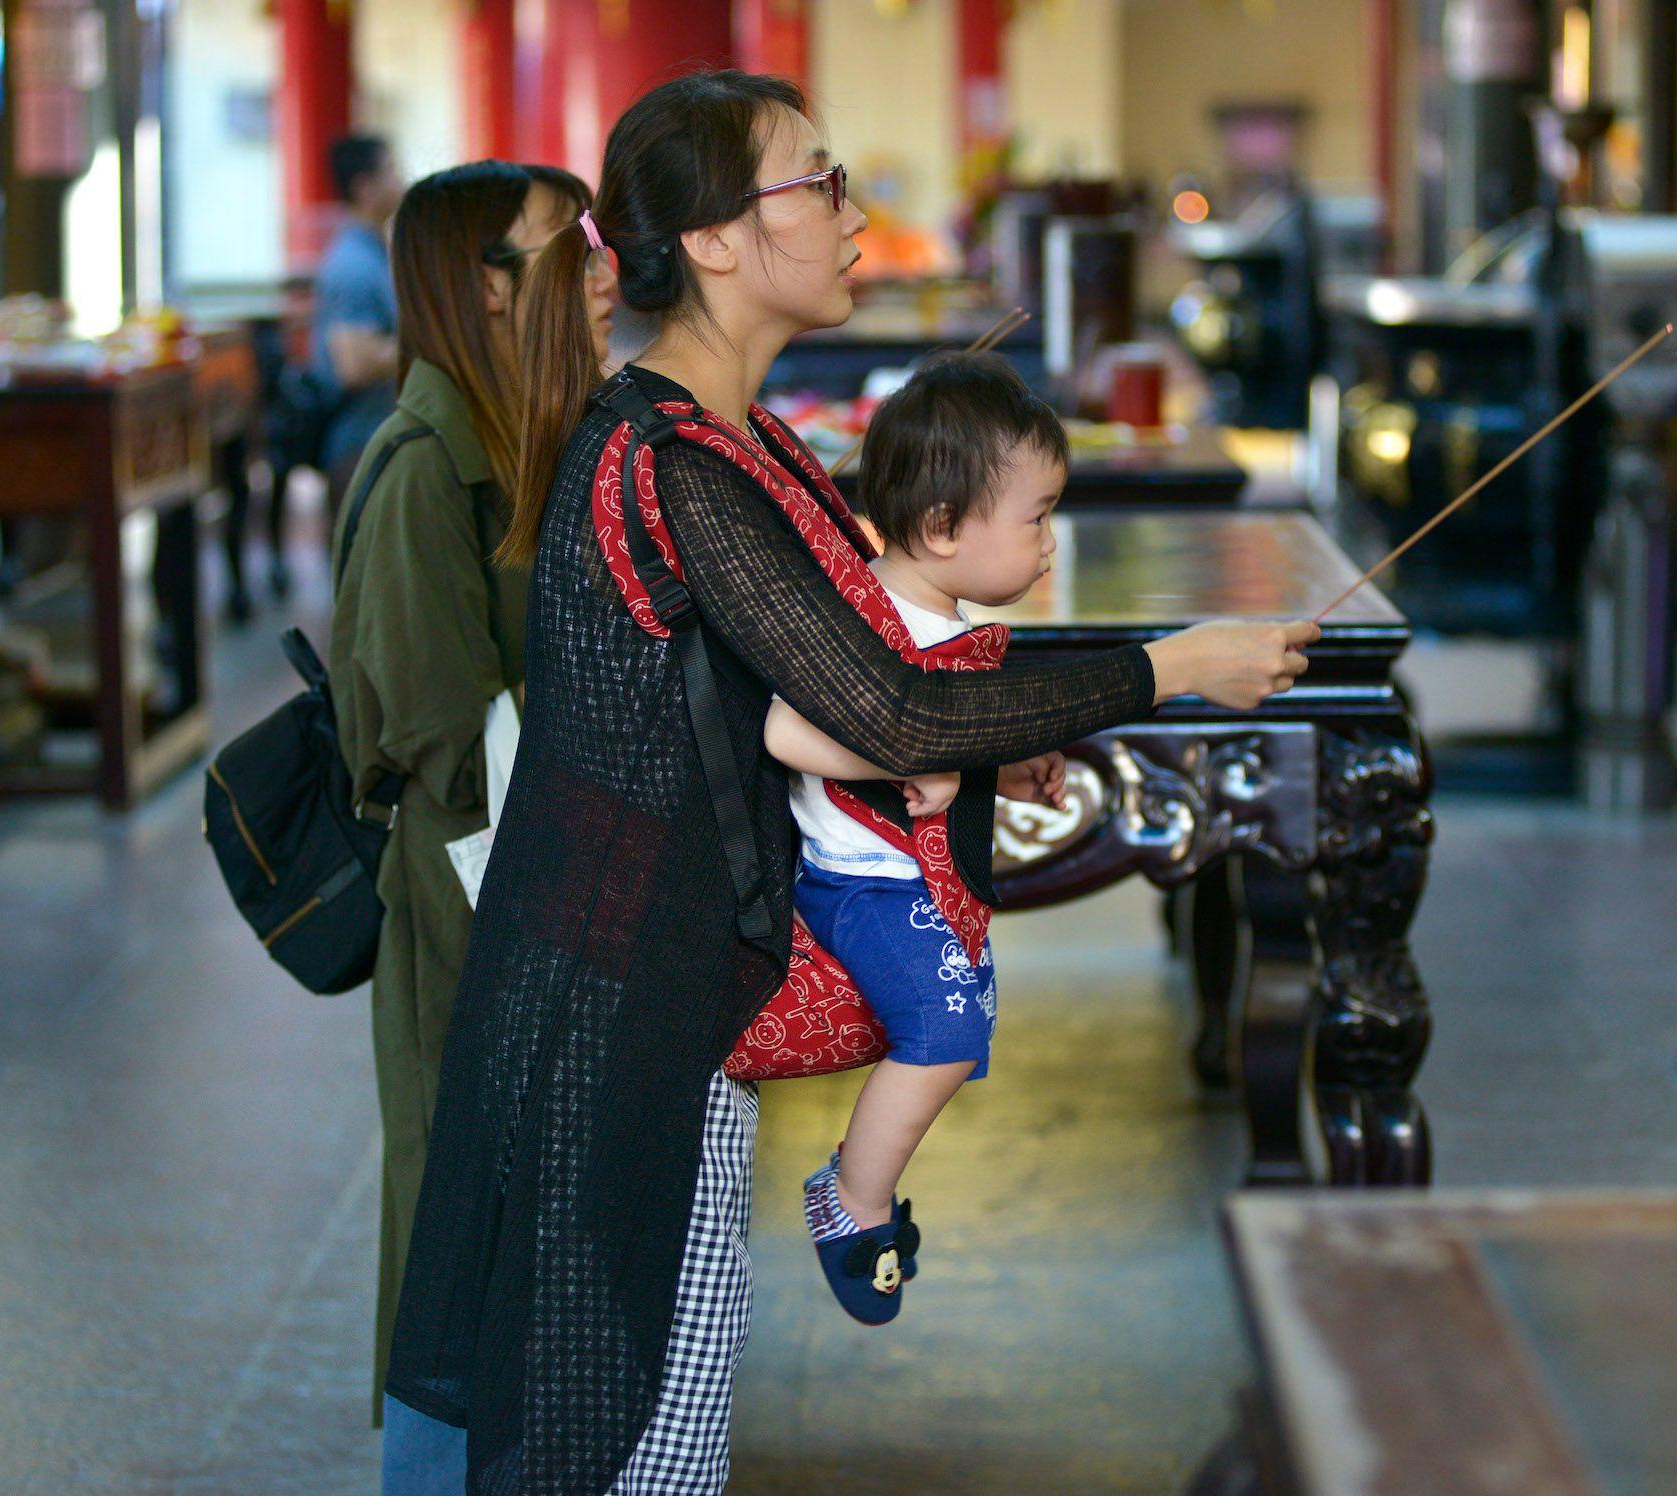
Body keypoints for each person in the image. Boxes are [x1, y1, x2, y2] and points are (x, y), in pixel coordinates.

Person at [385, 71, 1316, 1494]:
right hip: (619, 1016)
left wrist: (997, 700)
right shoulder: (667, 461)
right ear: (710, 240)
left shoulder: (740, 443)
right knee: (625, 1432)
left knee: (658, 1417)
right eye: (816, 183)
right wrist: (1170, 665)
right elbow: (885, 705)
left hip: (670, 994)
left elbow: (863, 664)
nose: (850, 209)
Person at [326, 159, 616, 1456]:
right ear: (485, 291)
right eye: (567, 249)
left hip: (543, 883)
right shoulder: (421, 473)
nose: (602, 271)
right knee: (459, 1211)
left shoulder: (530, 436)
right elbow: (445, 740)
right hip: (472, 900)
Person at [763, 352, 1072, 1322]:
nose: (1050, 543)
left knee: (961, 1023)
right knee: (943, 1034)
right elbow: (782, 728)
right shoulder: (869, 619)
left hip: (905, 880)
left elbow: (944, 738)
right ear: (941, 527)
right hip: (864, 885)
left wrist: (995, 762)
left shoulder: (934, 615)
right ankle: (850, 1201)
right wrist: (899, 754)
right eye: (1036, 517)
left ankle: (858, 1186)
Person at [311, 135, 408, 501]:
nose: (401, 180)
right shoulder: (353, 264)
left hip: (374, 438)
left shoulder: (372, 252)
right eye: (391, 171)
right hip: (358, 445)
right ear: (364, 188)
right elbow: (352, 364)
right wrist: (435, 340)